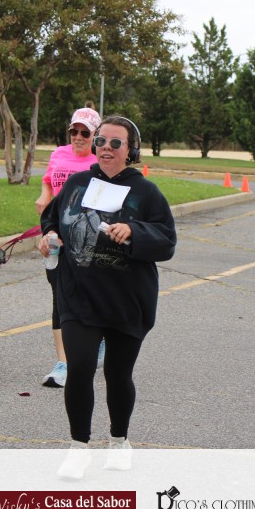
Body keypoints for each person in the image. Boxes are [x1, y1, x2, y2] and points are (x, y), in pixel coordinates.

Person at [39, 115, 177, 478]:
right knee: (79, 368)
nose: (106, 148)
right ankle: (78, 448)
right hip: (78, 295)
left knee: (117, 374)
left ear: (131, 150)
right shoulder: (78, 183)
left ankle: (119, 441)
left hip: (126, 300)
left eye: (116, 143)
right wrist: (49, 236)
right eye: (100, 141)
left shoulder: (146, 192)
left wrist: (133, 230)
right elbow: (52, 217)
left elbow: (167, 242)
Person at [35, 107, 101, 388]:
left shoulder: (100, 160)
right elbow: (47, 184)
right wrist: (44, 200)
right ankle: (63, 364)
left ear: (95, 135)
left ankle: (100, 340)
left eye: (85, 132)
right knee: (59, 298)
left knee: (92, 297)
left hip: (88, 239)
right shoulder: (58, 154)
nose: (78, 136)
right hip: (56, 235)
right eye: (74, 130)